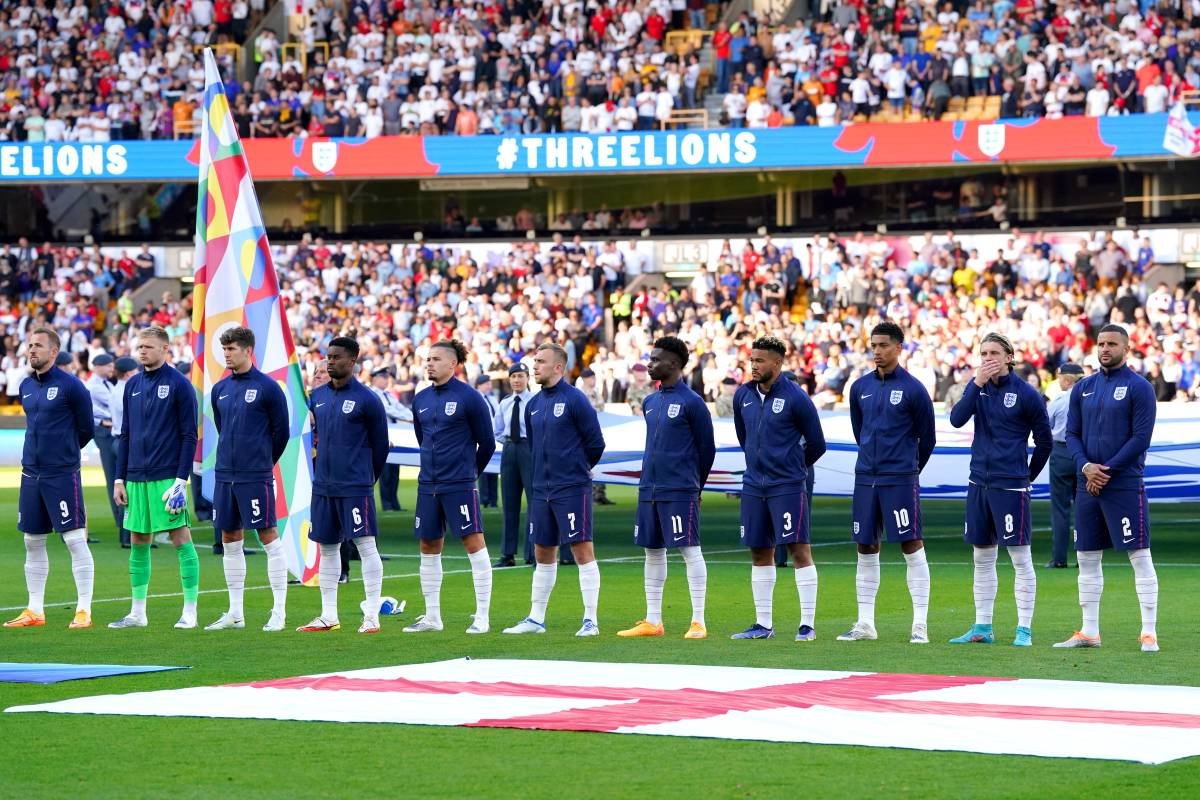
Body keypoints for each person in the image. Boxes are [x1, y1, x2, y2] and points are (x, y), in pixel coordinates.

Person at [1056, 324, 1159, 652]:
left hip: (1124, 484)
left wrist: (1107, 470)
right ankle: (1090, 632)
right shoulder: (1083, 387)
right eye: (1101, 343)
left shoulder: (1139, 387)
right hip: (1088, 484)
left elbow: (1141, 438)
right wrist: (1086, 467)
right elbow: (1071, 434)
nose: (1105, 348)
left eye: (1112, 344)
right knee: (1086, 556)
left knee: (1139, 555)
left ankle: (1148, 632)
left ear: (1126, 349)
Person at [947, 333, 1052, 647]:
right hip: (978, 482)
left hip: (1011, 486)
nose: (988, 358)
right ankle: (982, 626)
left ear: (1009, 357)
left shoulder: (1027, 394)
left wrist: (1026, 476)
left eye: (994, 353)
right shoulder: (976, 389)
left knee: (1020, 559)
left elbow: (1044, 442)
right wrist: (975, 383)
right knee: (982, 557)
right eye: (983, 353)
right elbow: (955, 419)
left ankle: (1024, 629)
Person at [840, 320, 936, 644]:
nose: (877, 351)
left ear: (899, 348)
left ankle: (919, 625)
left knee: (911, 545)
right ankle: (866, 623)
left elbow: (929, 438)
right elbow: (860, 430)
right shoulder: (860, 388)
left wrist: (907, 470)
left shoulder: (914, 389)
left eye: (883, 345)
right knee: (865, 546)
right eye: (873, 346)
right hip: (866, 477)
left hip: (899, 479)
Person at [503, 342, 606, 636]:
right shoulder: (533, 405)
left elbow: (595, 443)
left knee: (581, 550)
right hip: (541, 490)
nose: (534, 366)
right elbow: (535, 446)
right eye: (534, 361)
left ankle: (591, 620)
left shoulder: (576, 400)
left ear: (558, 367)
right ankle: (536, 618)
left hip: (571, 488)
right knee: (542, 551)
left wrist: (575, 469)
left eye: (540, 362)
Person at [617, 337, 715, 639]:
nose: (649, 364)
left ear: (673, 364)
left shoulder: (693, 403)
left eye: (655, 359)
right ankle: (653, 620)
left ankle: (698, 621)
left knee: (689, 550)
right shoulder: (650, 401)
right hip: (649, 489)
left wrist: (693, 485)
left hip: (680, 489)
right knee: (652, 551)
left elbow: (706, 450)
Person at [730, 337, 827, 641]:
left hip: (786, 485)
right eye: (752, 360)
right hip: (753, 485)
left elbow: (817, 444)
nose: (754, 366)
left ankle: (807, 625)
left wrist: (791, 466)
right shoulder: (742, 396)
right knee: (760, 552)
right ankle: (763, 624)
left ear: (777, 363)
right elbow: (744, 437)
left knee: (799, 550)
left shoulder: (797, 397)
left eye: (760, 361)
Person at [108, 326, 200, 629]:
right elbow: (126, 435)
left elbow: (189, 436)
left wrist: (180, 480)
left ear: (165, 349)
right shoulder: (132, 385)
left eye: (148, 346)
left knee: (180, 537)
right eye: (140, 347)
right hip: (135, 477)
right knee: (138, 539)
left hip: (166, 478)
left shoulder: (179, 385)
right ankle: (137, 612)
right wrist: (119, 479)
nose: (142, 351)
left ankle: (190, 610)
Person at [4, 327, 96, 629]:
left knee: (73, 539)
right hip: (31, 473)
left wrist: (63, 454)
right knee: (32, 541)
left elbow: (86, 429)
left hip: (61, 474)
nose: (31, 350)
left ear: (53, 352)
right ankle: (34, 610)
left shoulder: (72, 386)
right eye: (30, 345)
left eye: (38, 346)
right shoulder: (26, 385)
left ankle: (83, 609)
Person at [404, 340, 497, 634]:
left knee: (473, 544)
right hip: (427, 485)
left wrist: (468, 474)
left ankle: (482, 616)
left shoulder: (470, 398)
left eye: (435, 359)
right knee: (428, 546)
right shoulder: (420, 399)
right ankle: (432, 617)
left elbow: (488, 443)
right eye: (427, 359)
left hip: (459, 485)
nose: (429, 363)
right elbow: (423, 439)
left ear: (452, 364)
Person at [298, 337, 389, 634]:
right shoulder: (318, 396)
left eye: (336, 357)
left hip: (355, 486)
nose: (330, 361)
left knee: (365, 546)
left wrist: (365, 478)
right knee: (327, 548)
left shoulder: (368, 399)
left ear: (352, 362)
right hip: (323, 486)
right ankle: (329, 615)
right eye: (328, 357)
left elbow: (380, 446)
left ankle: (372, 615)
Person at [203, 327, 291, 633]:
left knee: (268, 537)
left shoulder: (268, 388)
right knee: (229, 539)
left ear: (248, 351)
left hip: (255, 475)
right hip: (225, 474)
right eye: (224, 348)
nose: (226, 353)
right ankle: (235, 613)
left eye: (232, 348)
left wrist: (263, 462)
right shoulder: (220, 389)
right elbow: (221, 425)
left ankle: (279, 611)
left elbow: (282, 432)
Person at [493, 362, 534, 567]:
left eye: (521, 376)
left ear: (528, 378)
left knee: (534, 502)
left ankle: (533, 552)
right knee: (509, 503)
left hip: (529, 449)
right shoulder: (505, 403)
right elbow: (498, 430)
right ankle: (507, 554)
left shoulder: (535, 401)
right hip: (509, 449)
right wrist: (508, 443)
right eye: (513, 376)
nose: (517, 380)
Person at [1045, 363, 1084, 568]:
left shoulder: (1060, 401)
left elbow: (1046, 424)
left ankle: (1059, 558)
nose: (1058, 381)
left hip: (1061, 452)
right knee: (1083, 507)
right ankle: (1083, 557)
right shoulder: (1090, 398)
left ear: (1067, 379)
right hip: (1084, 454)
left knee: (1060, 509)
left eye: (1060, 377)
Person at [85, 353, 117, 545]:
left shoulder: (105, 383)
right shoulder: (94, 386)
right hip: (104, 429)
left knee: (115, 474)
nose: (111, 369)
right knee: (113, 474)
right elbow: (111, 406)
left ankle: (120, 517)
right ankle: (119, 517)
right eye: (108, 366)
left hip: (108, 426)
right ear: (98, 366)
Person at [370, 367, 409, 512]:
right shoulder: (373, 394)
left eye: (387, 377)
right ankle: (387, 504)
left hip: (395, 433)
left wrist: (412, 417)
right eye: (383, 377)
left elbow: (400, 407)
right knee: (386, 471)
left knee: (394, 471)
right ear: (375, 378)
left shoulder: (389, 395)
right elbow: (388, 410)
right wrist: (408, 418)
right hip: (383, 434)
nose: (387, 380)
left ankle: (394, 503)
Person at [110, 356, 139, 549]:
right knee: (128, 489)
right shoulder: (126, 391)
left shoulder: (116, 389)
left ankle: (127, 534)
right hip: (125, 441)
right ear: (129, 373)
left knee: (125, 486)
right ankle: (127, 536)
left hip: (118, 440)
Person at [578, 368, 614, 509]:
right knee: (588, 463)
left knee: (600, 461)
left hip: (599, 431)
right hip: (585, 434)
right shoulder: (579, 394)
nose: (593, 380)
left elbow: (602, 411)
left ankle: (600, 494)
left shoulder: (597, 393)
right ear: (585, 379)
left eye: (594, 377)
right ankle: (590, 495)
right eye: (591, 378)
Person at [474, 374, 500, 508]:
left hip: (494, 436)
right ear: (479, 385)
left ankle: (493, 499)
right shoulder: (476, 398)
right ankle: (484, 499)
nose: (489, 386)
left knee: (494, 470)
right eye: (486, 383)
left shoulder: (492, 398)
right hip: (482, 437)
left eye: (490, 383)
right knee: (484, 469)